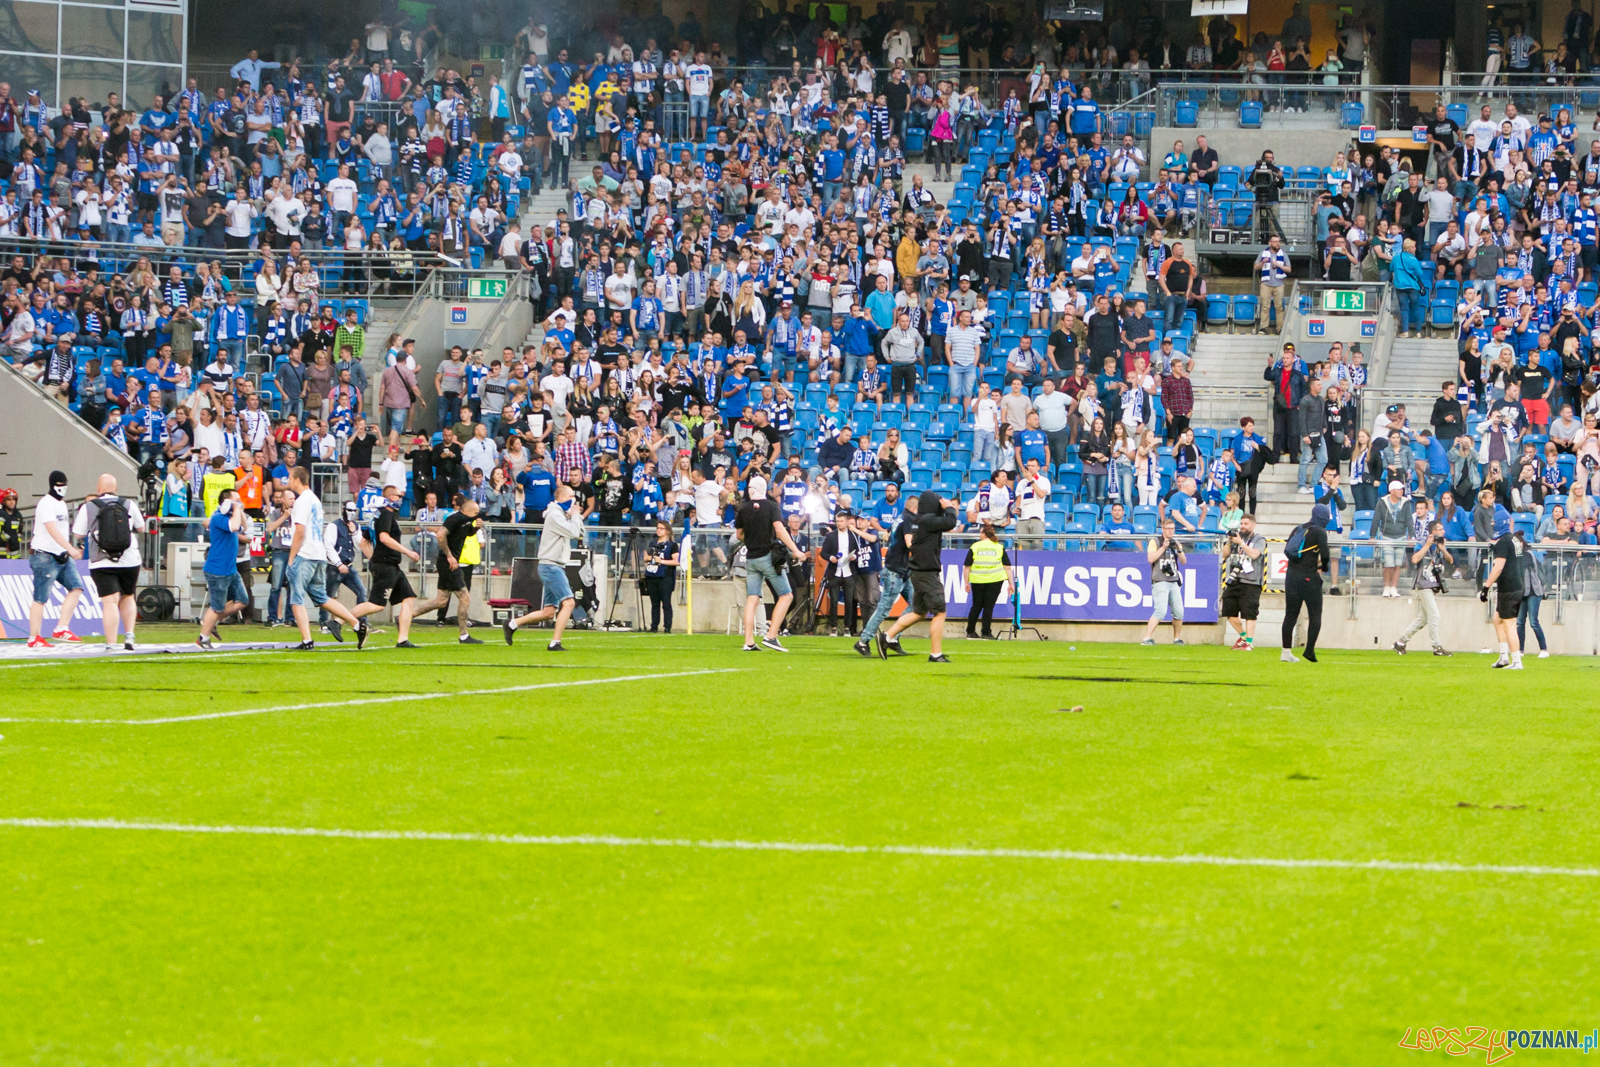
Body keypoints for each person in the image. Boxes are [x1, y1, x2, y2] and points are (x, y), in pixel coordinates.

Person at [285, 465, 363, 650]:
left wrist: (291, 557)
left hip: (306, 553)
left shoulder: (302, 501)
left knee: (296, 598)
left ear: (297, 479)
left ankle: (306, 640)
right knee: (322, 597)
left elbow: (300, 531)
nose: (288, 481)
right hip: (318, 553)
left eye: (290, 478)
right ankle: (357, 624)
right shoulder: (315, 500)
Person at [503, 483, 585, 650]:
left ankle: (512, 624)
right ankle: (555, 642)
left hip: (555, 565)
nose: (574, 500)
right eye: (571, 497)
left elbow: (580, 533)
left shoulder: (562, 515)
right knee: (569, 603)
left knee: (548, 612)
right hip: (551, 565)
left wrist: (574, 517)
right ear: (561, 498)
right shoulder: (554, 515)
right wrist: (575, 516)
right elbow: (574, 533)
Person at [879, 490, 959, 662]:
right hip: (927, 572)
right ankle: (935, 654)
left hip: (917, 571)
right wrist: (949, 507)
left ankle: (887, 636)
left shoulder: (918, 520)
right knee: (940, 612)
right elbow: (950, 522)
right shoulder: (928, 520)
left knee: (919, 612)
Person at [72, 473, 148, 651]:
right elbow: (142, 528)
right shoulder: (128, 504)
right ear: (116, 487)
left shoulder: (89, 507)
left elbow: (78, 534)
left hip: (101, 560)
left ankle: (111, 643)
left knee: (110, 602)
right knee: (128, 596)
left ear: (99, 489)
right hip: (129, 558)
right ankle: (129, 635)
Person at [349, 483, 424, 649]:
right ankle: (340, 619)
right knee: (377, 604)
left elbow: (363, 542)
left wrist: (373, 558)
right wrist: (408, 552)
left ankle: (403, 639)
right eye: (398, 496)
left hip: (390, 565)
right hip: (386, 565)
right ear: (391, 497)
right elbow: (384, 538)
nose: (400, 500)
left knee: (408, 598)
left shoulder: (377, 516)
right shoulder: (385, 515)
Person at [733, 475, 803, 652]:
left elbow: (739, 535)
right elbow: (779, 530)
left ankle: (748, 641)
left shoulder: (743, 509)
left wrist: (752, 538)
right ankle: (771, 635)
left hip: (751, 557)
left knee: (752, 598)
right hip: (767, 556)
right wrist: (795, 550)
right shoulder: (772, 506)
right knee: (786, 595)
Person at [413, 495, 486, 644]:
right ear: (467, 511)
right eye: (475, 513)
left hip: (448, 562)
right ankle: (464, 635)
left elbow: (467, 533)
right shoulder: (454, 519)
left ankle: (407, 615)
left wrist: (476, 527)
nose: (477, 516)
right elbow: (440, 535)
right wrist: (449, 556)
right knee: (465, 597)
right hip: (448, 562)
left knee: (440, 601)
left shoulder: (466, 521)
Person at [27, 470, 85, 648]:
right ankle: (34, 637)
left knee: (76, 587)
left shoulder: (61, 504)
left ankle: (62, 627)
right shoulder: (46, 503)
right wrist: (70, 548)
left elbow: (62, 530)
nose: (62, 488)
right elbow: (52, 530)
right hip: (45, 554)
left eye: (64, 484)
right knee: (41, 597)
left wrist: (72, 547)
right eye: (59, 484)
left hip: (61, 555)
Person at [856, 493, 917, 656]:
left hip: (901, 569)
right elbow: (910, 544)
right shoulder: (909, 519)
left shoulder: (899, 518)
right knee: (884, 608)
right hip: (896, 570)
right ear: (915, 508)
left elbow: (885, 535)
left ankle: (893, 637)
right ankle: (863, 641)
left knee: (916, 604)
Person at [196, 488, 249, 649]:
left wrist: (237, 509)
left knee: (243, 600)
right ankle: (202, 638)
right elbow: (233, 527)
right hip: (217, 570)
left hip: (230, 569)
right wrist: (235, 509)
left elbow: (244, 526)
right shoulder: (218, 517)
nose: (239, 502)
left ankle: (211, 621)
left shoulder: (231, 515)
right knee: (217, 607)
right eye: (236, 499)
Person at [1392, 520, 1455, 656]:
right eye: (1440, 529)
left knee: (1422, 619)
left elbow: (1451, 560)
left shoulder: (1440, 545)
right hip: (1423, 584)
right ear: (1433, 532)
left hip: (1433, 585)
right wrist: (1427, 545)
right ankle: (1436, 647)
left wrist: (1443, 548)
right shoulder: (1421, 543)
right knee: (1435, 616)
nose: (1443, 532)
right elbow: (1414, 559)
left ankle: (1400, 643)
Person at [1280, 503, 1331, 663]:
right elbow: (1325, 554)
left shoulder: (1298, 528)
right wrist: (1325, 567)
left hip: (1291, 575)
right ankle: (1309, 650)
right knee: (1315, 614)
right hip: (1308, 576)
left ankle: (1285, 652)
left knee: (1290, 614)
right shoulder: (1319, 531)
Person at [1481, 508, 1524, 669]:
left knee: (1509, 624)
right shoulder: (1513, 539)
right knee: (1497, 619)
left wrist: (1486, 586)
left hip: (1509, 587)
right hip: (1516, 585)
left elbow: (1498, 567)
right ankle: (1504, 657)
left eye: (1494, 523)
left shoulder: (1503, 542)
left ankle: (1517, 661)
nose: (1492, 526)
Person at [1220, 512, 1266, 651]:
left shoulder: (1259, 539)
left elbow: (1254, 554)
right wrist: (1229, 541)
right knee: (1228, 609)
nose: (1243, 526)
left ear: (1253, 525)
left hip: (1251, 581)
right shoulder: (1236, 538)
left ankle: (1249, 643)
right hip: (1235, 578)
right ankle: (1243, 637)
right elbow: (1224, 554)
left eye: (1246, 524)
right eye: (1241, 524)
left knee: (1249, 613)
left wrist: (1241, 543)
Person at [1140, 517, 1186, 645]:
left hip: (1173, 579)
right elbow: (1150, 558)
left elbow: (1183, 561)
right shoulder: (1155, 541)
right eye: (1168, 529)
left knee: (1179, 611)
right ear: (1163, 529)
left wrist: (1179, 549)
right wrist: (1163, 547)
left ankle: (1177, 638)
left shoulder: (1175, 542)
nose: (1170, 532)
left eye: (1172, 529)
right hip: (1160, 579)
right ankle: (1147, 637)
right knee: (1160, 610)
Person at [962, 522, 1012, 639]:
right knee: (988, 607)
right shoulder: (999, 547)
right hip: (995, 580)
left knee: (976, 606)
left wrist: (966, 582)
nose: (980, 535)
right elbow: (1007, 567)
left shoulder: (975, 547)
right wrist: (1011, 583)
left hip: (978, 580)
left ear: (984, 534)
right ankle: (986, 632)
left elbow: (967, 567)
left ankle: (970, 631)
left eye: (980, 532)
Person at [642, 519, 680, 632]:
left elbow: (677, 561)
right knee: (654, 603)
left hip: (665, 576)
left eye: (661, 528)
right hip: (652, 575)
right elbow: (645, 557)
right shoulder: (652, 543)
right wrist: (652, 558)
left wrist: (662, 561)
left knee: (666, 602)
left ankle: (667, 626)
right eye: (657, 528)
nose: (658, 530)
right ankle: (654, 626)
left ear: (667, 531)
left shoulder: (672, 545)